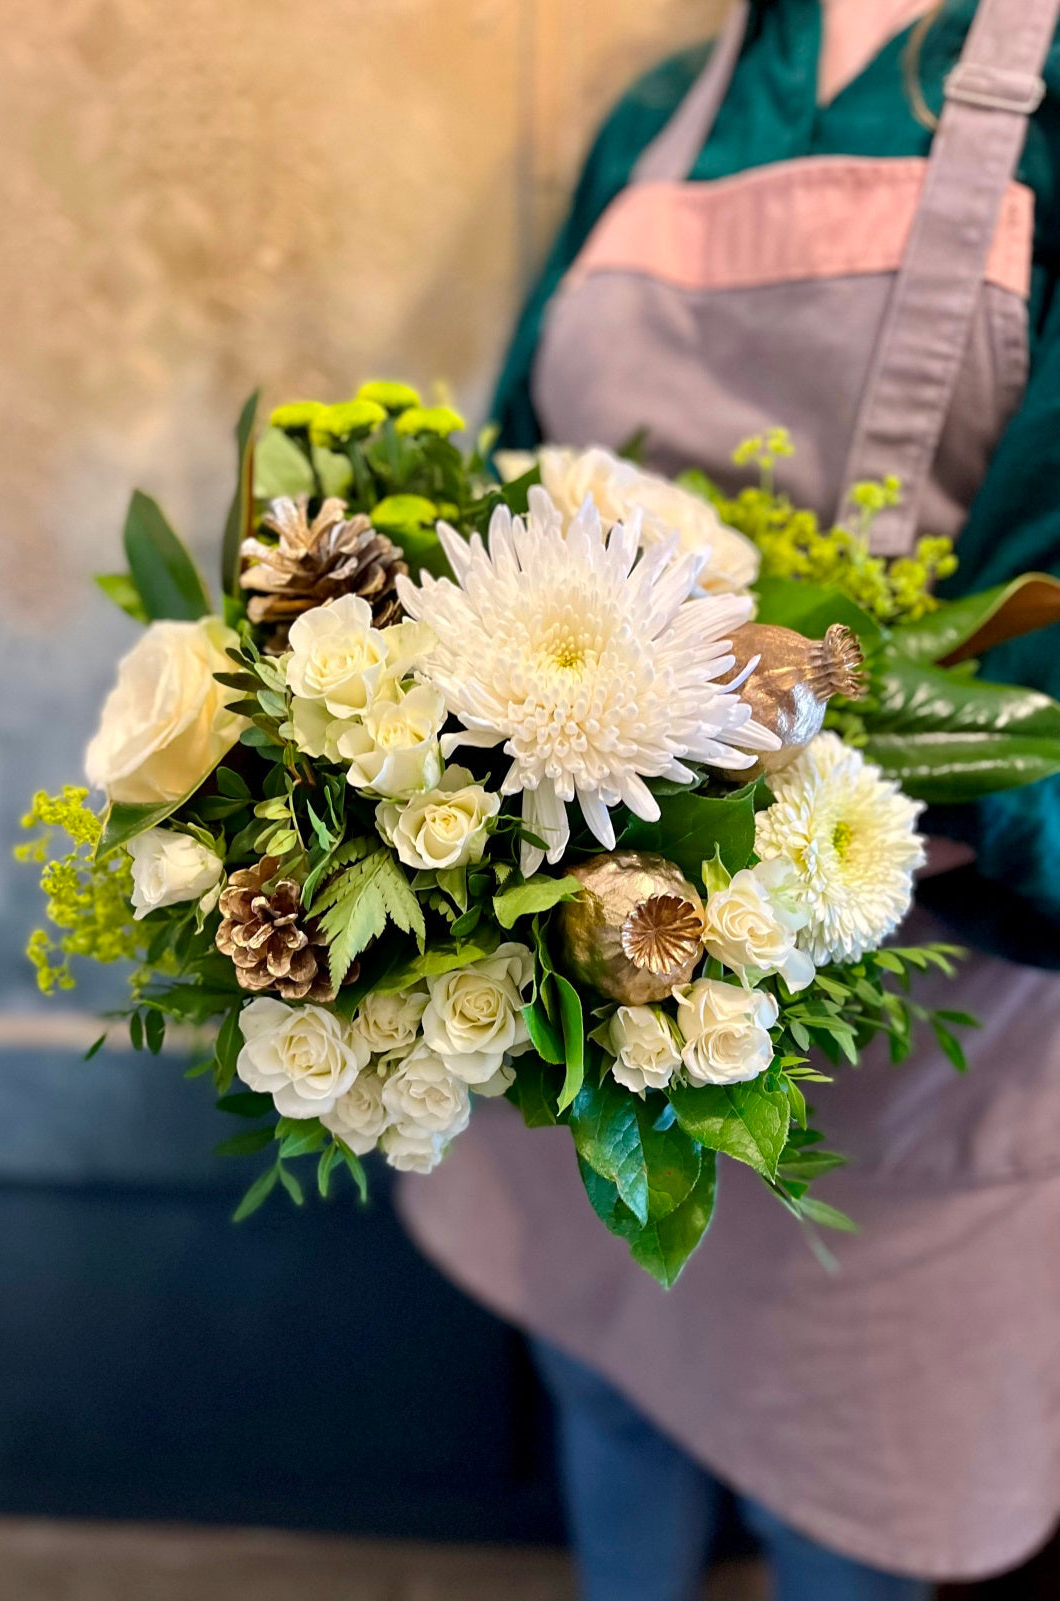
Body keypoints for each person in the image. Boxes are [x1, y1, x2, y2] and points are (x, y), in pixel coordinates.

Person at [398, 3, 1060, 1598]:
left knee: (837, 1519)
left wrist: (808, 758)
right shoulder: (657, 116)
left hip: (898, 1054)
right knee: (604, 1395)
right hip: (584, 985)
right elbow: (510, 472)